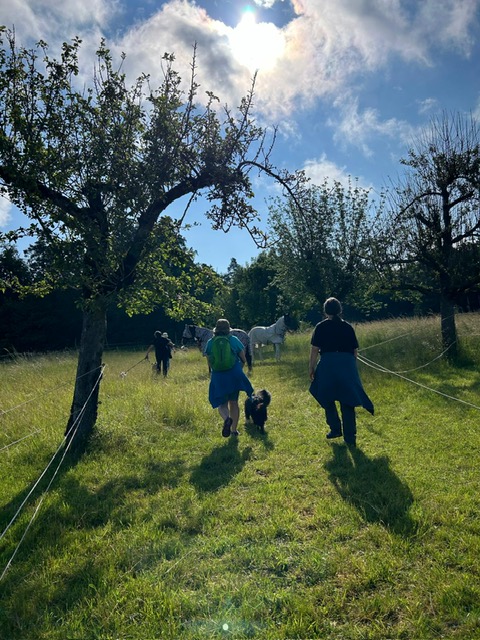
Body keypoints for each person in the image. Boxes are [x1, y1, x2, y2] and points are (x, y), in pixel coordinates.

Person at [308, 297, 374, 447]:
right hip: (347, 364)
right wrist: (350, 367)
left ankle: (335, 428)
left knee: (326, 396)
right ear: (340, 310)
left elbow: (314, 350)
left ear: (325, 311)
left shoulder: (321, 327)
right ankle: (350, 437)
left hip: (328, 365)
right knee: (348, 400)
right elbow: (355, 351)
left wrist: (311, 367)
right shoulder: (348, 327)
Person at [205, 318, 254, 437]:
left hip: (218, 376)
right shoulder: (234, 340)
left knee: (222, 404)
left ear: (216, 329)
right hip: (234, 374)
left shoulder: (210, 342)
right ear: (228, 329)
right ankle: (234, 431)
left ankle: (227, 419)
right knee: (234, 402)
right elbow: (243, 358)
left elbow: (209, 362)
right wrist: (238, 369)